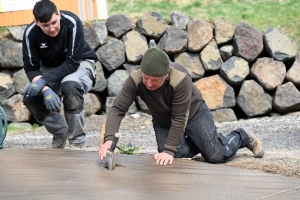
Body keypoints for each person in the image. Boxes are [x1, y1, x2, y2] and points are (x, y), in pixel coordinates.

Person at [99, 48, 265, 165]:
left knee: (215, 155)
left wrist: (169, 149)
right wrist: (108, 139)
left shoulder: (180, 79)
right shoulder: (135, 79)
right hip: (163, 119)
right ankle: (203, 144)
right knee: (174, 156)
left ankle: (241, 136)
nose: (148, 83)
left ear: (165, 75)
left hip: (193, 113)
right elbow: (118, 109)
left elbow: (180, 117)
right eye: (145, 78)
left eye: (154, 80)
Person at [22, 0, 98, 149]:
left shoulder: (73, 23)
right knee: (31, 96)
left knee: (70, 85)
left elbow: (72, 63)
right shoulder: (30, 33)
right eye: (45, 25)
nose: (51, 28)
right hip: (50, 67)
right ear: (36, 22)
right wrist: (45, 90)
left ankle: (76, 142)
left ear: (59, 14)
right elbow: (31, 68)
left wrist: (44, 82)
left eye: (54, 22)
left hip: (80, 63)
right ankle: (60, 132)